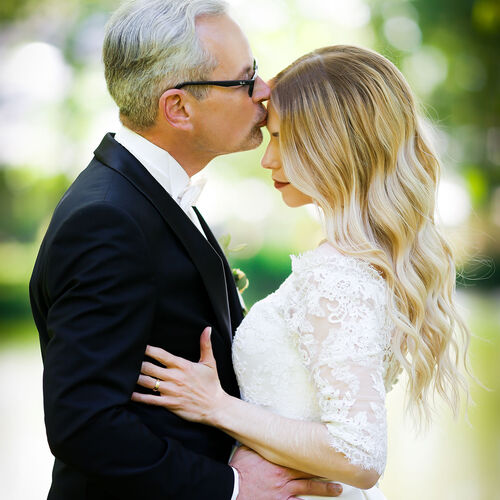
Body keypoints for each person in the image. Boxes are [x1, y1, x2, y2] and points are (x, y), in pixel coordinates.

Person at [28, 1, 344, 499]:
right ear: (178, 108)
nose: (264, 91)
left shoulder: (149, 195)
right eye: (244, 80)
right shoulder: (106, 220)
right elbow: (84, 425)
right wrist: (232, 488)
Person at [131, 45, 472, 499]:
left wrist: (215, 406)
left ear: (332, 142)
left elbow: (360, 454)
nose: (268, 160)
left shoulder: (336, 274)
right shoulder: (365, 260)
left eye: (280, 138)